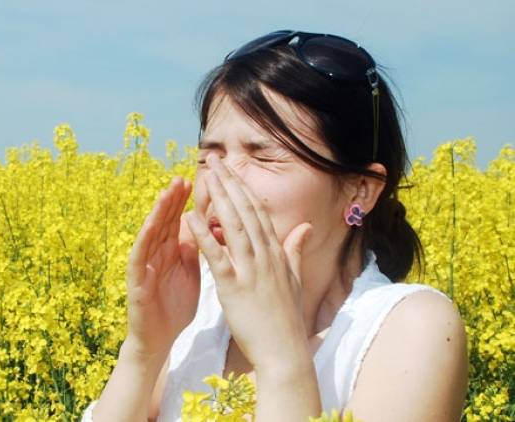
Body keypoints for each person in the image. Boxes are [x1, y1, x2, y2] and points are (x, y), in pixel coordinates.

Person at [81, 30, 469, 421]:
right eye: (208, 157)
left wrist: (280, 360)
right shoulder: (198, 312)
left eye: (263, 156)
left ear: (361, 191)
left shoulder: (411, 329)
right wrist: (144, 349)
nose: (219, 181)